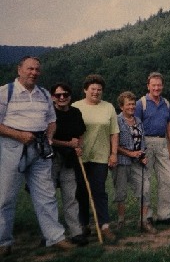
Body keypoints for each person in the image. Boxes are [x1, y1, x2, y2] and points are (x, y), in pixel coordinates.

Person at [0, 56, 74, 257]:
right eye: (29, 69)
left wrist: (49, 138)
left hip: (40, 149)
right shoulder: (5, 92)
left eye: (37, 70)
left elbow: (51, 120)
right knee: (5, 196)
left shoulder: (43, 94)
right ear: (19, 69)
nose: (34, 72)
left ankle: (55, 238)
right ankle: (3, 241)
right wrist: (19, 135)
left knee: (46, 194)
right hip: (12, 147)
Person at [72, 74, 119, 241]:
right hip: (80, 157)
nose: (96, 92)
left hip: (101, 156)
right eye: (93, 89)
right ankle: (83, 226)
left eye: (99, 89)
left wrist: (113, 154)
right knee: (81, 192)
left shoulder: (109, 107)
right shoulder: (75, 107)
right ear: (85, 89)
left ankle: (104, 226)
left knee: (99, 191)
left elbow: (114, 132)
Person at [135, 72, 170, 225]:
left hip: (162, 143)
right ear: (148, 86)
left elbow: (169, 127)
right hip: (145, 143)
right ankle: (146, 216)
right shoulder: (141, 103)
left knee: (167, 179)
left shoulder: (166, 104)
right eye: (153, 85)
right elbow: (136, 127)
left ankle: (164, 215)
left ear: (162, 86)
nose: (156, 88)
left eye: (159, 85)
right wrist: (139, 150)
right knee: (145, 181)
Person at [50, 83, 88, 246]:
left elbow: (80, 133)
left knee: (70, 196)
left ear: (70, 96)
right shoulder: (49, 113)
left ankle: (76, 232)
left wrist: (78, 145)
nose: (62, 97)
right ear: (53, 97)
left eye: (65, 94)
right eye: (58, 95)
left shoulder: (75, 112)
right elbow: (49, 139)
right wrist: (69, 144)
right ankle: (49, 233)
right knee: (48, 196)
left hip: (70, 160)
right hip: (51, 158)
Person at [113, 91, 157, 234]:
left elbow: (142, 141)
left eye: (133, 104)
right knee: (121, 192)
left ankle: (143, 221)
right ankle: (121, 221)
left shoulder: (138, 121)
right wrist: (130, 153)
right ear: (121, 106)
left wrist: (142, 155)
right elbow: (113, 144)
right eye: (128, 104)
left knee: (145, 190)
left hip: (138, 163)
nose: (131, 107)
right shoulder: (117, 121)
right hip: (121, 162)